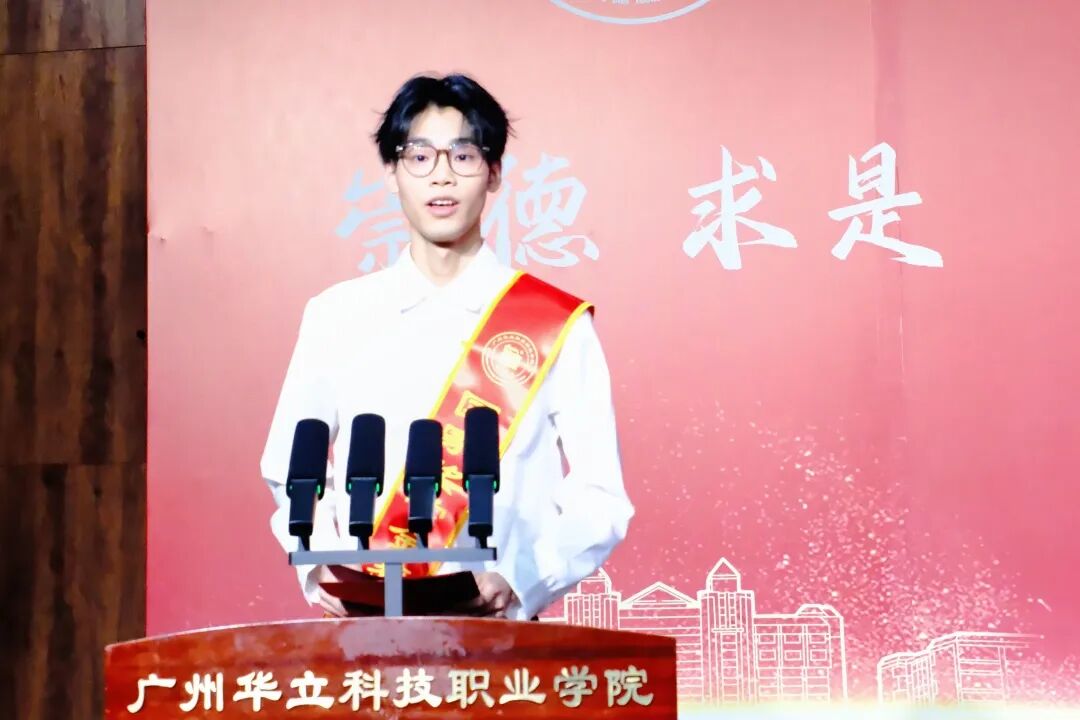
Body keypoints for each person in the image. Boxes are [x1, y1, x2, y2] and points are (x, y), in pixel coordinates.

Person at [260, 73, 632, 621]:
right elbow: (289, 467)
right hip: (364, 625)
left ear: (494, 172)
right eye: (419, 157)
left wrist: (522, 577)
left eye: (463, 156)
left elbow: (600, 494)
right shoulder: (336, 315)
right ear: (391, 173)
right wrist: (324, 568)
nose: (441, 176)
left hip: (498, 631)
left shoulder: (556, 325)